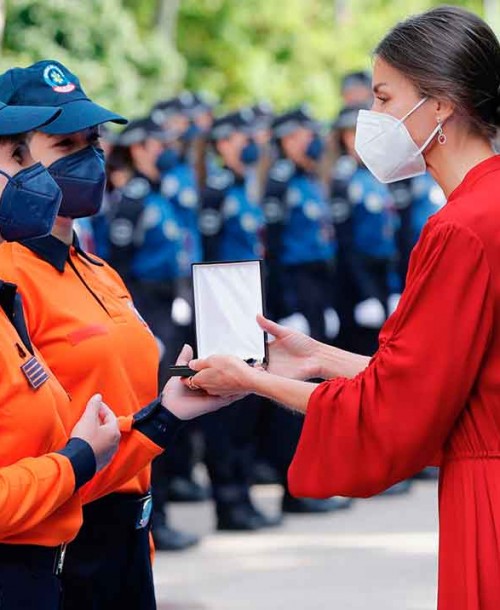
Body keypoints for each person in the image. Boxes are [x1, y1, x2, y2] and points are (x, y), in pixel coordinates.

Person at [183, 7, 500, 609]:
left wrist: (251, 379)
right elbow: (444, 381)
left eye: (384, 98)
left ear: (440, 105)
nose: (371, 120)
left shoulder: (460, 227)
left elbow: (400, 406)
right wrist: (320, 357)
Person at [0, 60, 238, 607]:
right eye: (66, 145)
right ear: (15, 160)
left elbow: (122, 397)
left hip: (129, 526)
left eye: (95, 140)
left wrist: (176, 403)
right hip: (64, 537)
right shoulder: (11, 278)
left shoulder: (98, 269)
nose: (90, 157)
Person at [0, 100, 121, 608]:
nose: (37, 176)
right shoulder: (18, 276)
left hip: (60, 549)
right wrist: (74, 462)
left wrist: (167, 416)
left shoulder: (88, 269)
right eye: (19, 158)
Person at [107, 115, 202, 551]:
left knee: (171, 401)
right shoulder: (133, 198)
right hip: (145, 301)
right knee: (155, 406)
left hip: (168, 301)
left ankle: (159, 514)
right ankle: (154, 517)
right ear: (140, 147)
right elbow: (120, 264)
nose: (164, 149)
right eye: (156, 143)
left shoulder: (159, 192)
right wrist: (135, 318)